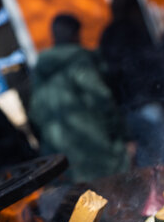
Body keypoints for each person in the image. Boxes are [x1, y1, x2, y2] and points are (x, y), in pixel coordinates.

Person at [28, 13, 131, 182]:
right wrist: (124, 138)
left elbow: (35, 116)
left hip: (66, 162)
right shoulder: (79, 60)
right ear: (76, 34)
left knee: (88, 204)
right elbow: (102, 99)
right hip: (98, 150)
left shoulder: (40, 73)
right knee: (122, 198)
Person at [98, 0, 164, 168]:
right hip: (146, 102)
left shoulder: (107, 36)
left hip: (127, 108)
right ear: (132, 10)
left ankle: (154, 192)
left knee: (146, 159)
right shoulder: (132, 32)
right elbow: (156, 60)